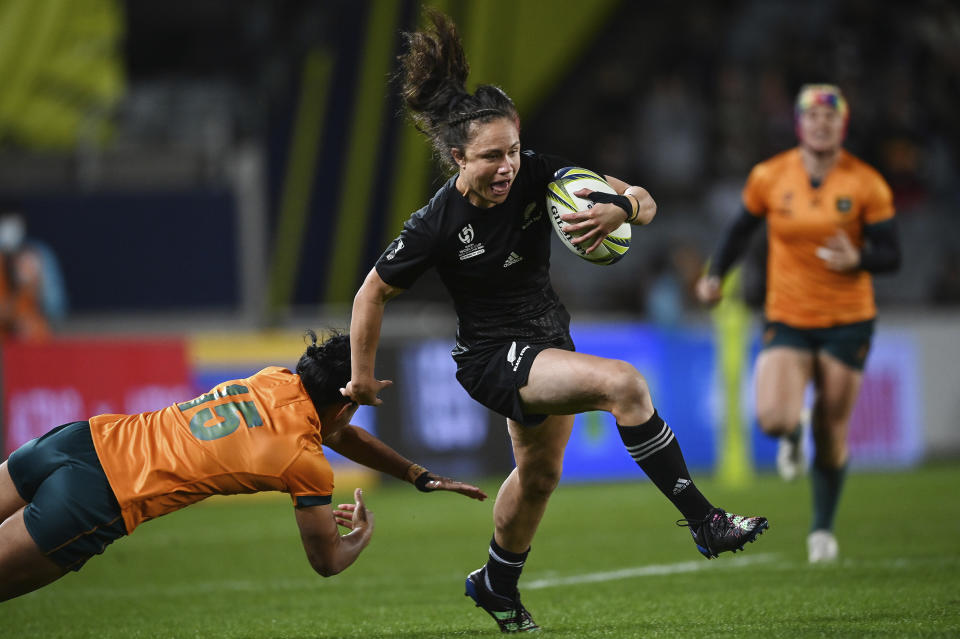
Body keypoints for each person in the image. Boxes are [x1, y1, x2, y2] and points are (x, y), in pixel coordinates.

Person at [341, 10, 768, 633]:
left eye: (513, 149)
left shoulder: (540, 174)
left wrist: (617, 208)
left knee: (539, 476)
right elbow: (370, 294)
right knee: (624, 384)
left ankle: (495, 584)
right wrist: (359, 378)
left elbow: (645, 202)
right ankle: (706, 522)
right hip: (492, 357)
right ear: (458, 156)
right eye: (492, 156)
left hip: (546, 338)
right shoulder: (436, 223)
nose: (508, 165)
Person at [0, 330, 486, 602]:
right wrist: (360, 534)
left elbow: (339, 431)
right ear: (343, 404)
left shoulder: (274, 378)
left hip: (76, 440)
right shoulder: (305, 462)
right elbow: (327, 561)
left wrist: (415, 475)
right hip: (99, 498)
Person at [695, 84, 901, 563]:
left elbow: (893, 254)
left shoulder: (866, 182)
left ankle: (822, 530)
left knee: (832, 430)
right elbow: (739, 231)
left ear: (841, 126)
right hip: (788, 315)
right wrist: (715, 276)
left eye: (830, 118)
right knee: (772, 418)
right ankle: (792, 432)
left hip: (848, 319)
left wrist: (861, 257)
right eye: (811, 116)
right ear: (799, 124)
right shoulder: (771, 175)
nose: (820, 124)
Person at [0, 206, 68, 341]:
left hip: (28, 334)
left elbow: (55, 305)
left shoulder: (36, 255)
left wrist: (34, 285)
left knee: (34, 331)